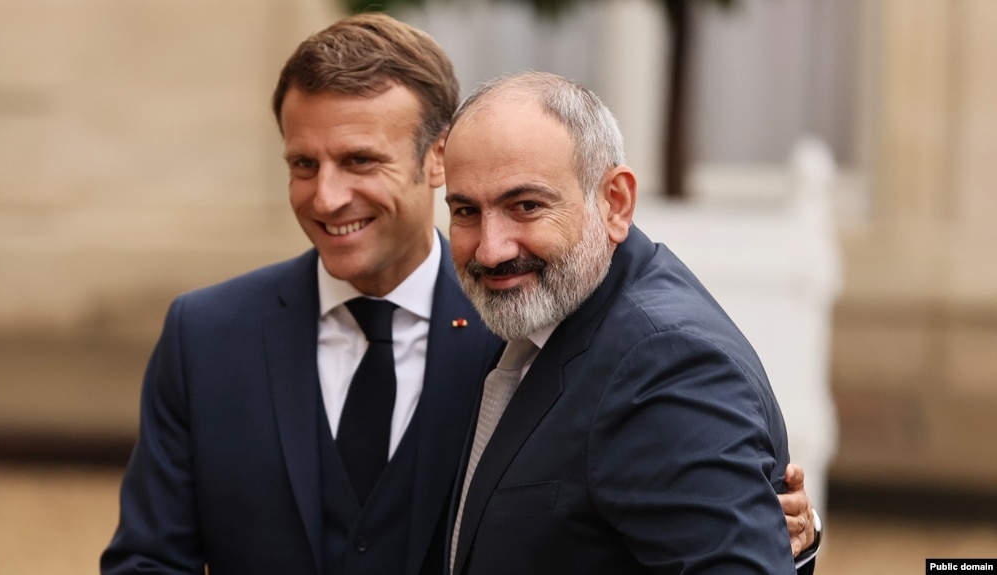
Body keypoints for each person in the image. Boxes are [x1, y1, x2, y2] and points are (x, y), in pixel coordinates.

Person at [101, 13, 818, 575]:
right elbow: (147, 558)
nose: (325, 194)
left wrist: (775, 537)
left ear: (436, 159)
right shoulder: (206, 334)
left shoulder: (528, 322)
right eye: (302, 162)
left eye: (359, 160)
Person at [443, 70, 816, 574]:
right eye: (466, 210)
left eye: (526, 206)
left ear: (615, 202)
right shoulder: (532, 311)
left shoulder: (668, 365)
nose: (490, 249)